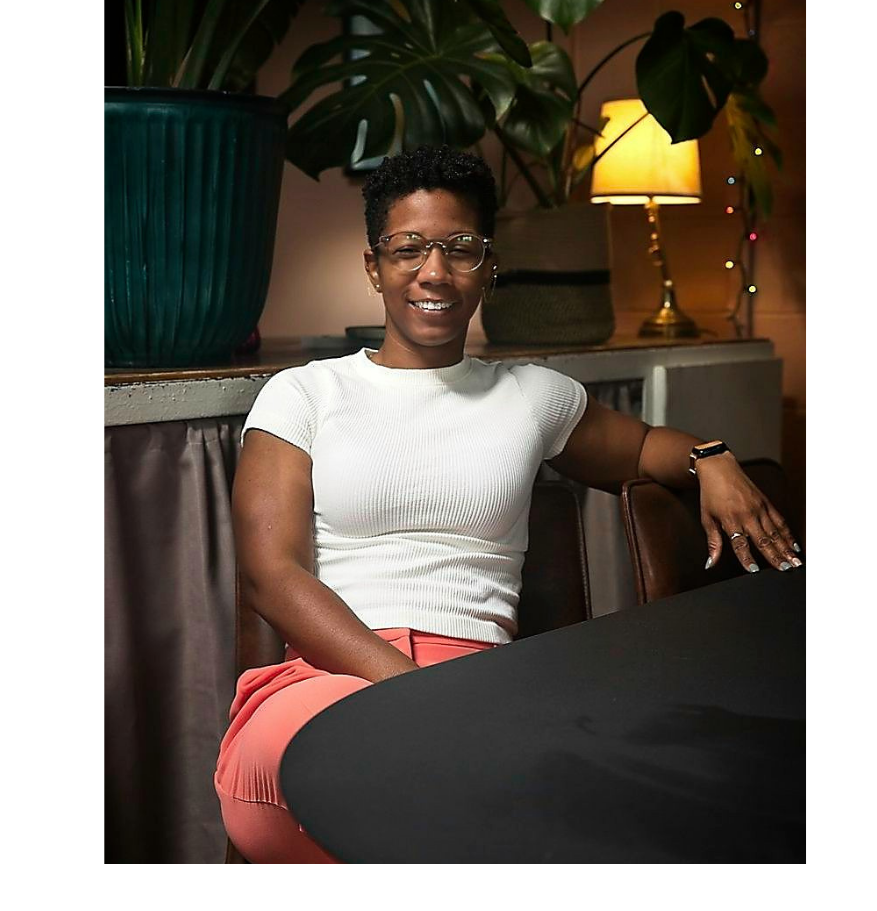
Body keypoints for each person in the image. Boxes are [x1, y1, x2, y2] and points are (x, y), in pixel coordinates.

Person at [214, 143, 798, 865]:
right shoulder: (304, 394)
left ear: (489, 265)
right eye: (409, 249)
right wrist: (417, 693)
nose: (435, 271)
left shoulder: (531, 395)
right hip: (326, 682)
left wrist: (713, 458)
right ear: (375, 265)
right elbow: (272, 574)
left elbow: (645, 446)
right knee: (359, 780)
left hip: (484, 686)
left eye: (460, 248)